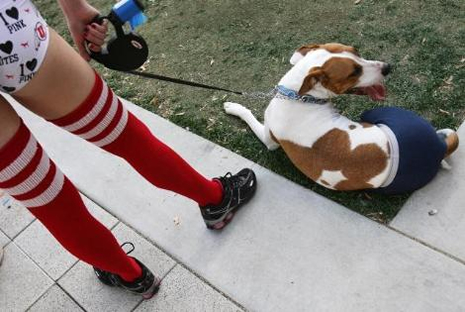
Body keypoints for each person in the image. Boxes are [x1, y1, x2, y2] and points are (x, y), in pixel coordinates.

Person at [0, 0, 257, 299]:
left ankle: (131, 276)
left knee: (48, 201)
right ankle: (216, 200)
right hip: (11, 34)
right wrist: (73, 7)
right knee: (126, 137)